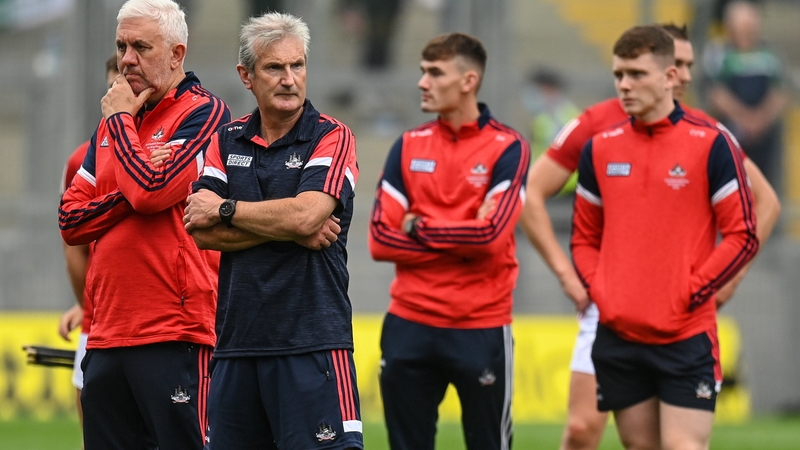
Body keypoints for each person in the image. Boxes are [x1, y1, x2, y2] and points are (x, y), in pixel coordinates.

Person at [518, 22, 781, 450]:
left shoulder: (708, 135)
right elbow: (563, 218)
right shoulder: (598, 135)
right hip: (615, 318)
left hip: (683, 324)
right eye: (621, 74)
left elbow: (757, 214)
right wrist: (586, 284)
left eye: (636, 74)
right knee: (586, 432)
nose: (689, 75)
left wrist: (709, 286)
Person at [183, 12, 362, 450]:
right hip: (236, 348)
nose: (288, 79)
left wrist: (226, 208)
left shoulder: (332, 136)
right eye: (274, 67)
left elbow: (306, 216)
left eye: (297, 65)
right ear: (246, 76)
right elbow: (200, 231)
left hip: (313, 346)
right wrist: (289, 226)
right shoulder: (225, 139)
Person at [58, 0, 231, 448]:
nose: (126, 59)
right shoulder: (112, 127)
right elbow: (71, 220)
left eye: (140, 46)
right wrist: (134, 186)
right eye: (121, 46)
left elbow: (151, 192)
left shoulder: (205, 113)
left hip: (174, 330)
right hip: (106, 332)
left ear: (177, 54)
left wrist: (119, 125)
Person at [368, 32, 529, 450]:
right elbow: (380, 240)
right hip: (409, 323)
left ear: (468, 80)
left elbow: (491, 238)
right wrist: (463, 232)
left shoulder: (508, 147)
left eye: (435, 72)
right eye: (422, 71)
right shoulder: (407, 146)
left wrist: (419, 226)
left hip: (480, 327)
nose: (422, 82)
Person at [57, 53, 119, 434]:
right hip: (101, 324)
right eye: (114, 86)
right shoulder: (83, 158)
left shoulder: (176, 148)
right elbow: (74, 248)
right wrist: (88, 305)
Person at [704, 0, 788, 186]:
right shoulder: (719, 53)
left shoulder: (769, 53)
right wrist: (744, 118)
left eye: (750, 26)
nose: (747, 32)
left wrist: (760, 119)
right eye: (742, 27)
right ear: (730, 28)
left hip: (766, 140)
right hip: (731, 135)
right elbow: (716, 93)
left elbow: (780, 91)